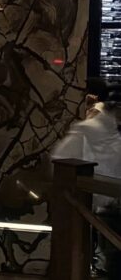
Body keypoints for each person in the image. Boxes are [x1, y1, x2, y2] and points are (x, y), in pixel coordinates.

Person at [52, 93, 121, 279]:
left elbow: (60, 159)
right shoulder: (110, 133)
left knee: (109, 256)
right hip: (107, 202)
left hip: (97, 202)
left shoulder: (87, 129)